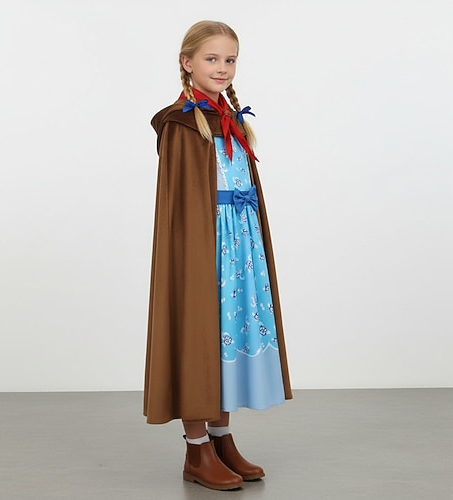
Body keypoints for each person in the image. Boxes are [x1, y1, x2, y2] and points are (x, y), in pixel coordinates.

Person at [143, 20, 292, 491]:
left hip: (239, 244)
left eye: (230, 59)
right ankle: (196, 450)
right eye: (212, 58)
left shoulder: (231, 119)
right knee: (200, 335)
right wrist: (198, 247)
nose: (222, 67)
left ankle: (222, 439)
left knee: (227, 335)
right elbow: (183, 199)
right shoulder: (181, 123)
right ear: (187, 63)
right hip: (204, 244)